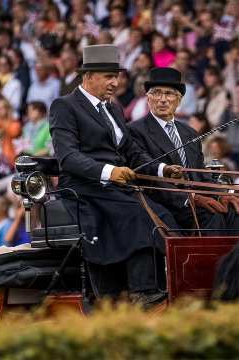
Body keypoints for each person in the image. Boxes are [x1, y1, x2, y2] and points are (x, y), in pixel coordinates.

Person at [48, 44, 182, 307]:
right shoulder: (64, 106)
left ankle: (166, 282)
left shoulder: (114, 109)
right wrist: (110, 172)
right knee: (138, 216)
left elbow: (132, 151)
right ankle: (141, 291)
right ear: (88, 77)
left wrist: (161, 169)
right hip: (85, 187)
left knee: (164, 215)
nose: (115, 82)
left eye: (117, 76)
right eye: (108, 76)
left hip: (117, 188)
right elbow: (68, 157)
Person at [128, 67, 239, 232]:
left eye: (169, 94)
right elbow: (148, 178)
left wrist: (220, 194)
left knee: (233, 212)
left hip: (198, 200)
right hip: (166, 202)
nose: (163, 99)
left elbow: (201, 173)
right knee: (212, 216)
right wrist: (191, 199)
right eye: (157, 93)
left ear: (179, 100)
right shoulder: (135, 131)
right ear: (148, 98)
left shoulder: (189, 132)